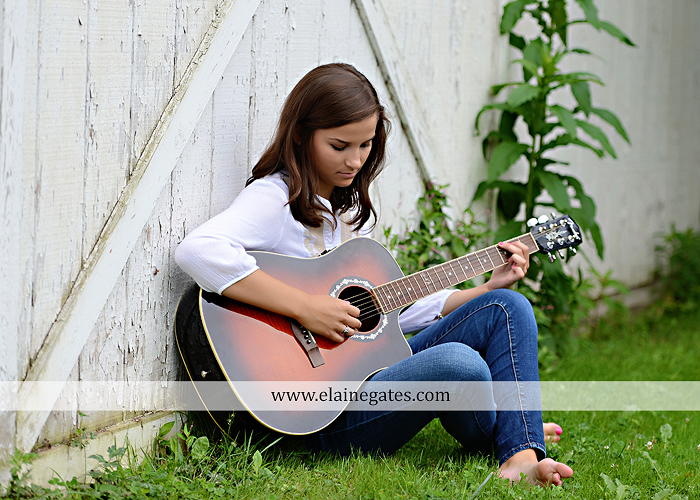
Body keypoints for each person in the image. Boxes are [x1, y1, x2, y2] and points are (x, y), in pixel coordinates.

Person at [175, 62, 574, 487]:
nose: (354, 160)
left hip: (367, 374)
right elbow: (199, 251)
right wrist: (306, 308)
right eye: (339, 145)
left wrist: (486, 287)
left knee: (506, 306)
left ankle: (520, 452)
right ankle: (513, 427)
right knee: (461, 366)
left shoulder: (346, 213)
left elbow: (389, 312)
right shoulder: (275, 199)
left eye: (365, 145)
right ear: (300, 135)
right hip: (321, 413)